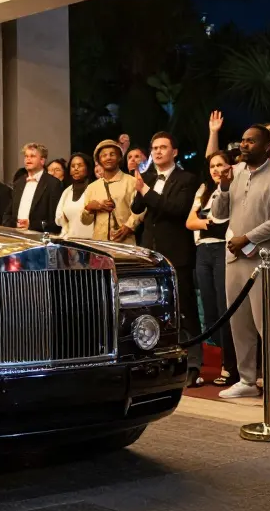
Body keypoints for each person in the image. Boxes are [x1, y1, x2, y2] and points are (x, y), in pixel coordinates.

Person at [210, 126, 270, 404]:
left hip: (265, 259)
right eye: (243, 140)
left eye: (251, 141)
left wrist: (247, 237)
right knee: (239, 321)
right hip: (235, 257)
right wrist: (223, 187)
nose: (244, 145)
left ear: (267, 146)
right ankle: (246, 380)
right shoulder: (234, 175)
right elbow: (220, 214)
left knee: (268, 322)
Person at [131, 132, 203, 376]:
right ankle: (158, 360)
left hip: (177, 252)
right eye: (154, 148)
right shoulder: (148, 176)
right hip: (149, 253)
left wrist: (146, 190)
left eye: (163, 147)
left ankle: (193, 363)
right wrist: (141, 188)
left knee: (185, 308)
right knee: (152, 307)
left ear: (174, 152)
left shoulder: (187, 179)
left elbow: (177, 209)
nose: (158, 152)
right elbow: (136, 207)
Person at [187, 150, 238, 387]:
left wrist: (207, 223)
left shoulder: (232, 190)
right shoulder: (204, 190)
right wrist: (209, 223)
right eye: (212, 166)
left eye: (221, 165)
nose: (216, 170)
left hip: (222, 249)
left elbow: (224, 226)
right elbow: (190, 222)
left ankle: (232, 367)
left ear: (230, 167)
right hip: (202, 251)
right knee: (209, 311)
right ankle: (222, 363)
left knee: (224, 307)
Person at [82, 139, 142, 245]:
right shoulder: (92, 187)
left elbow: (141, 210)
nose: (108, 157)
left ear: (119, 157)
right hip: (99, 246)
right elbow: (85, 221)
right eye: (104, 155)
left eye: (112, 154)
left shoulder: (132, 182)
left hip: (125, 244)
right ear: (99, 160)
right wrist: (89, 208)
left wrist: (129, 226)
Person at [4, 143, 63, 234]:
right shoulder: (19, 183)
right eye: (26, 156)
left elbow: (56, 221)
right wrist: (14, 224)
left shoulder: (53, 184)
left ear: (42, 160)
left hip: (39, 239)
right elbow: (8, 214)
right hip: (16, 236)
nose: (28, 159)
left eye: (32, 156)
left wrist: (32, 225)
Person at [55, 153, 96, 239]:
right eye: (73, 166)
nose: (76, 168)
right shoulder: (67, 192)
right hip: (71, 241)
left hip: (92, 242)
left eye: (80, 165)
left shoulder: (95, 188)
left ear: (87, 168)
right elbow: (58, 219)